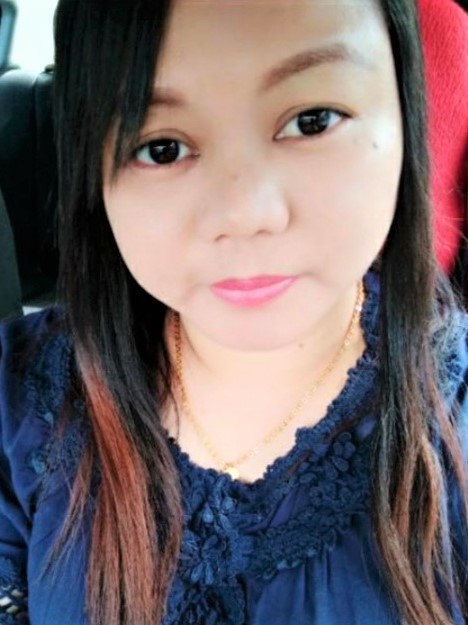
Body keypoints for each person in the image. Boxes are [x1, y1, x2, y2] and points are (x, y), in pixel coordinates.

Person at [0, 0, 467, 624]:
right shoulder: (19, 402)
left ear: (405, 120)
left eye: (312, 121)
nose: (246, 214)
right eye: (162, 148)